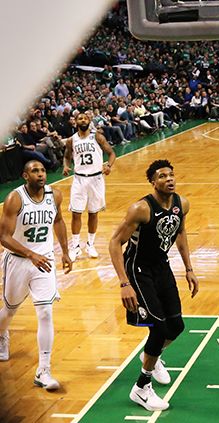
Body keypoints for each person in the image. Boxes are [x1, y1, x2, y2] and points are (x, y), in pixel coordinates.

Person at [108, 160, 199, 412]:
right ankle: (141, 388)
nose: (169, 179)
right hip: (138, 271)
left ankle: (152, 356)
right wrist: (124, 283)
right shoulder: (141, 209)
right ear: (153, 182)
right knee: (158, 329)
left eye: (171, 175)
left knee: (176, 326)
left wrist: (189, 269)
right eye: (162, 176)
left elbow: (181, 234)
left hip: (162, 266)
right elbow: (115, 243)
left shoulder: (182, 204)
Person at [0, 160, 73, 390]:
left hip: (44, 262)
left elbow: (59, 221)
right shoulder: (15, 199)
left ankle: (44, 370)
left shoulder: (55, 195)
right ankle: (2, 334)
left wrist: (65, 252)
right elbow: (4, 237)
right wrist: (31, 255)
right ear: (25, 175)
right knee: (10, 309)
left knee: (45, 312)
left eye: (42, 170)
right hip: (18, 261)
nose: (41, 174)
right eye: (35, 171)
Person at [63, 113, 117, 262]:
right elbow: (67, 156)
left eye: (85, 118)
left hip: (96, 179)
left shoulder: (97, 137)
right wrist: (66, 166)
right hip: (79, 179)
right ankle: (75, 247)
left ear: (89, 121)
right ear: (75, 122)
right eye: (80, 118)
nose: (83, 120)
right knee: (76, 213)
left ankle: (90, 245)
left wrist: (109, 166)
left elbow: (111, 153)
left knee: (93, 213)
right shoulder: (71, 140)